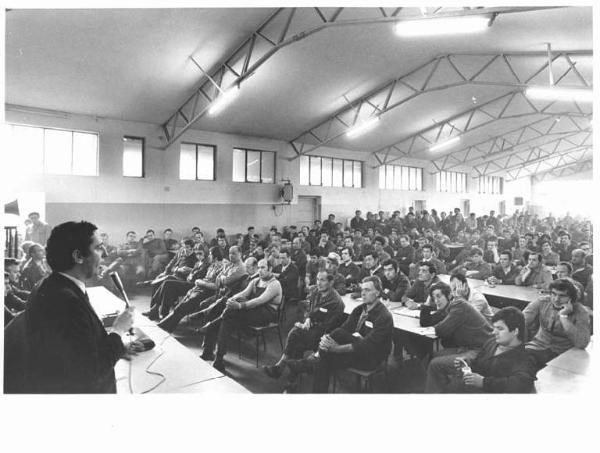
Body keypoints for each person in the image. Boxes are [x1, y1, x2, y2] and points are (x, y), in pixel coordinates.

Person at [18, 221, 140, 393]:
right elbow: (90, 373)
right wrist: (118, 330)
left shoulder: (56, 285)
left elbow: (77, 346)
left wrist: (116, 347)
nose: (105, 253)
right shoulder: (65, 301)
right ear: (78, 256)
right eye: (98, 248)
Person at [263, 271, 345, 392]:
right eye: (317, 279)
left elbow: (330, 327)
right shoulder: (316, 292)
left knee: (296, 333)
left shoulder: (336, 302)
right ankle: (291, 383)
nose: (319, 283)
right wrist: (307, 320)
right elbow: (309, 310)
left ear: (331, 282)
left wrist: (308, 325)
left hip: (324, 336)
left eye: (322, 280)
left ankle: (281, 366)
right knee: (297, 345)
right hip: (311, 330)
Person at [310, 276, 394, 393]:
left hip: (372, 357)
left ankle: (309, 362)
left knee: (323, 359)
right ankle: (316, 358)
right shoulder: (360, 309)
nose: (363, 294)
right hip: (357, 348)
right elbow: (344, 329)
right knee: (325, 358)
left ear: (378, 292)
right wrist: (327, 338)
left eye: (368, 290)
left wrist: (336, 348)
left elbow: (367, 346)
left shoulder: (384, 316)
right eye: (362, 290)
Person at [208, 259, 282, 372]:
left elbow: (259, 300)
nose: (260, 271)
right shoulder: (256, 281)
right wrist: (231, 299)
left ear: (270, 269)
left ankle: (211, 332)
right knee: (228, 318)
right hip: (253, 311)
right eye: (259, 268)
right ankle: (218, 359)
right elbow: (243, 293)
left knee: (229, 314)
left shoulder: (275, 284)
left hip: (265, 315)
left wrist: (239, 306)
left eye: (263, 268)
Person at [422, 282, 494, 393]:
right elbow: (426, 322)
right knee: (433, 356)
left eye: (439, 296)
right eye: (433, 298)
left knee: (434, 364)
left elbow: (441, 329)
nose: (436, 301)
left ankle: (440, 392)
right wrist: (427, 305)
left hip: (482, 350)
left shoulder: (458, 305)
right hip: (469, 347)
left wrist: (438, 325)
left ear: (450, 295)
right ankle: (443, 389)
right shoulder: (450, 308)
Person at [444, 307, 536, 392]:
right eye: (494, 328)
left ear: (515, 331)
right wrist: (467, 364)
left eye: (500, 329)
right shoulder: (492, 343)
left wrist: (484, 382)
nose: (494, 332)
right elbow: (479, 363)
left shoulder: (525, 360)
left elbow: (518, 385)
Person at [523, 278, 591, 370]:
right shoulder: (542, 302)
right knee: (514, 358)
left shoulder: (581, 312)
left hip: (562, 354)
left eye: (562, 296)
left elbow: (582, 343)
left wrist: (563, 316)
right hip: (538, 346)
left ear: (572, 298)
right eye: (553, 294)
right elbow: (520, 321)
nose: (556, 299)